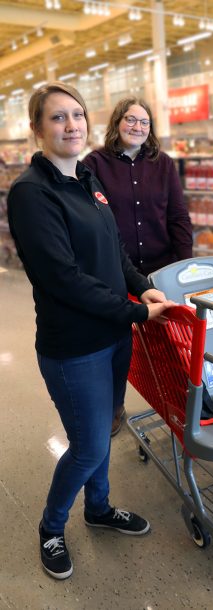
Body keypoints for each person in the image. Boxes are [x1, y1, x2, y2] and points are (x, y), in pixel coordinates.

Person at [7, 82, 176, 581]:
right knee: (88, 447)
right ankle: (51, 527)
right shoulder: (31, 194)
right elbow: (62, 279)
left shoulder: (87, 178)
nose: (72, 125)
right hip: (73, 346)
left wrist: (142, 288)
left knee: (104, 432)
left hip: (111, 338)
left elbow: (115, 250)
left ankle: (99, 509)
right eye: (58, 118)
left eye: (77, 115)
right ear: (36, 128)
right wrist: (135, 315)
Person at [83, 97, 193, 435]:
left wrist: (185, 267)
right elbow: (92, 221)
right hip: (118, 273)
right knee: (118, 345)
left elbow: (177, 216)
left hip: (162, 270)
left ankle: (183, 403)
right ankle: (115, 406)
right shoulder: (94, 164)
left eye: (144, 122)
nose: (137, 127)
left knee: (173, 344)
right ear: (117, 122)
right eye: (131, 120)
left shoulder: (163, 165)